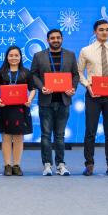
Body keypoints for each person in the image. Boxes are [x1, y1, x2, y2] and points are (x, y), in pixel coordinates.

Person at [78, 18, 108, 175]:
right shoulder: (86, 50)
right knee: (90, 131)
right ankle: (89, 164)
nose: (105, 32)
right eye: (101, 30)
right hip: (93, 95)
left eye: (107, 29)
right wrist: (87, 85)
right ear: (95, 32)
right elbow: (79, 72)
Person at [33, 27, 77, 175]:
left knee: (60, 135)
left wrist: (72, 88)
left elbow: (75, 75)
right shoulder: (39, 56)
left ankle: (60, 164)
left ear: (62, 39)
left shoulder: (70, 55)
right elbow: (34, 75)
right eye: (52, 38)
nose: (55, 40)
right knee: (45, 135)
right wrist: (41, 87)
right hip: (46, 101)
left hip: (64, 100)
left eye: (58, 38)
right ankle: (47, 164)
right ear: (48, 40)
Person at [0, 45, 35, 176]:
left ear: (21, 57)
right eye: (11, 55)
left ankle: (16, 165)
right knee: (6, 137)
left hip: (21, 108)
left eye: (16, 55)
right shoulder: (1, 72)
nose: (14, 58)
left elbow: (33, 89)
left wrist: (29, 100)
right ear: (6, 57)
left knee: (18, 137)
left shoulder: (26, 72)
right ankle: (7, 166)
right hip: (4, 108)